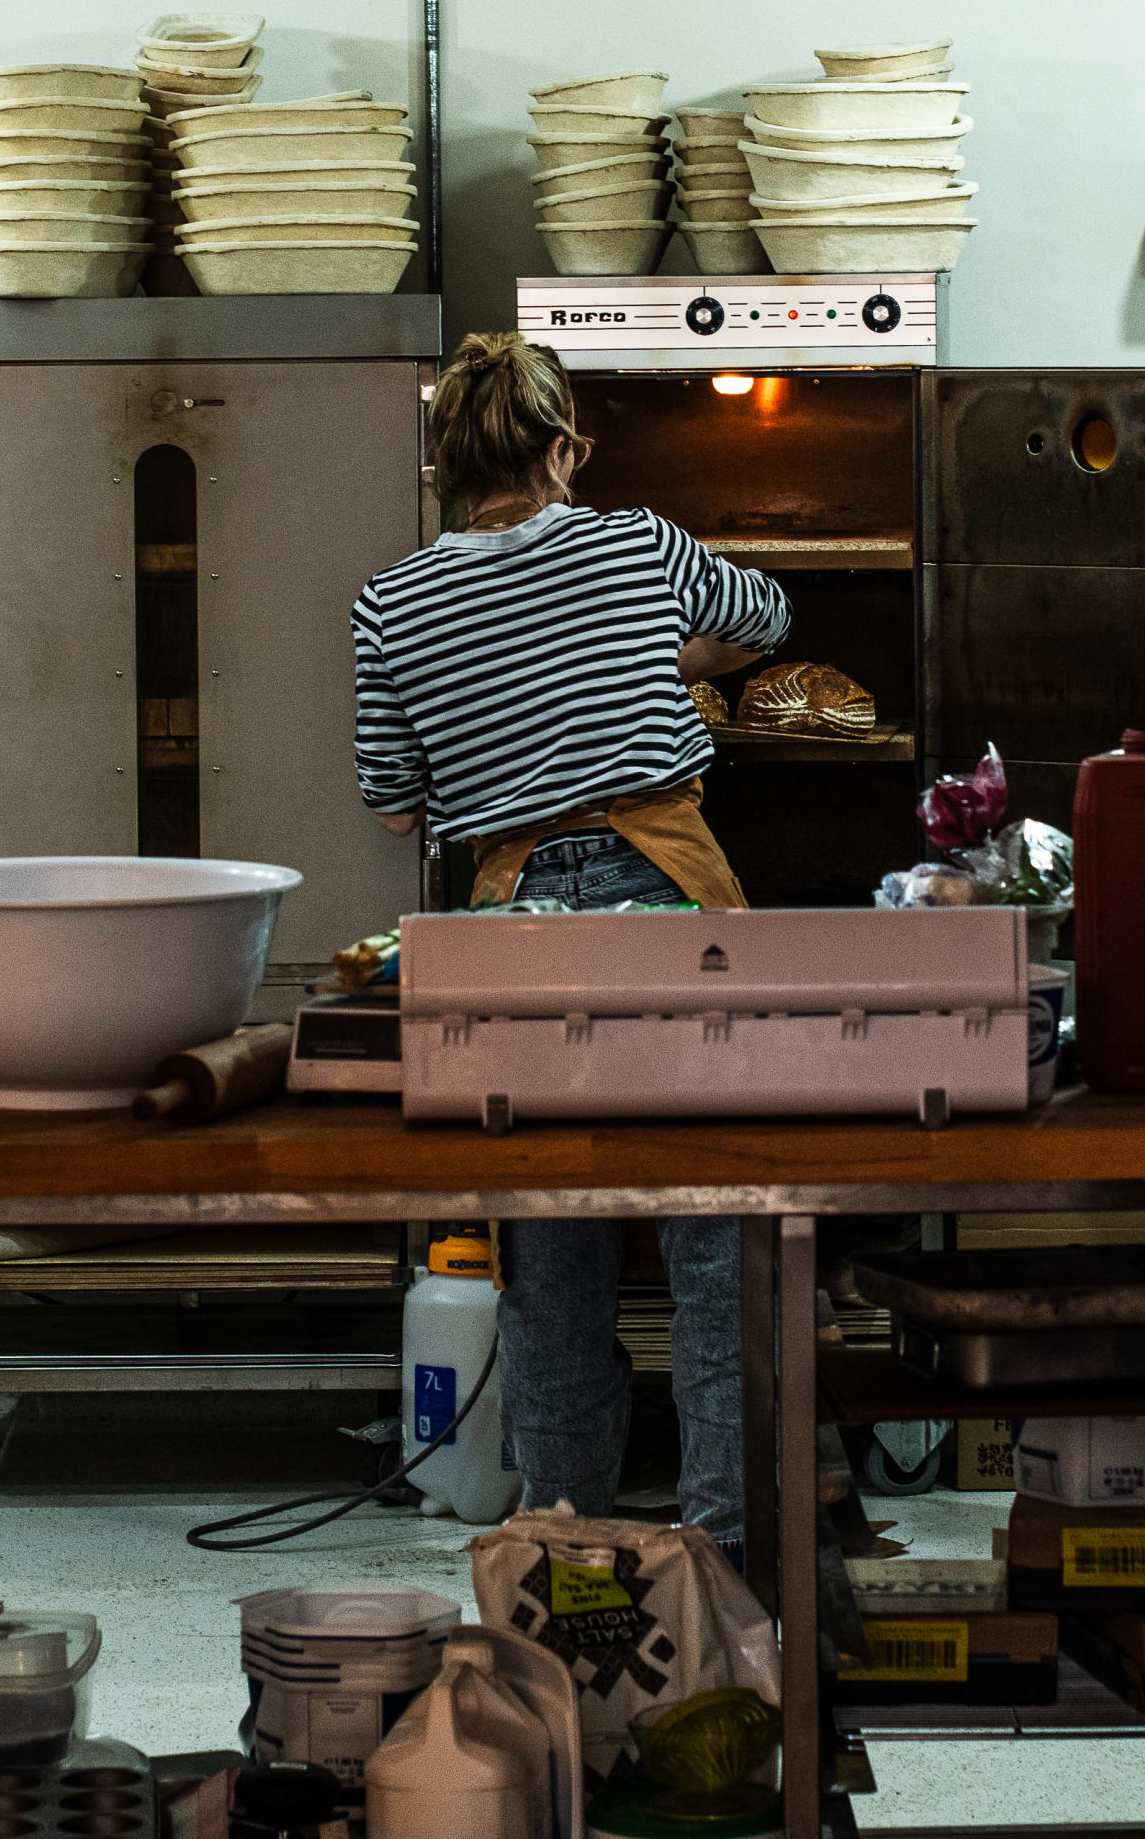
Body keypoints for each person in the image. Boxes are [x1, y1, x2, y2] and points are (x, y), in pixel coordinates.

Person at [350, 330, 788, 1542]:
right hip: (674, 911)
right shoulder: (636, 541)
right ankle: (720, 1560)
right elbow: (768, 615)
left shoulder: (389, 604)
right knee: (714, 1263)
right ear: (560, 454)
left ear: (446, 466)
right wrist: (664, 655)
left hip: (515, 938)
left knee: (549, 1274)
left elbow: (392, 799)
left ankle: (563, 1552)